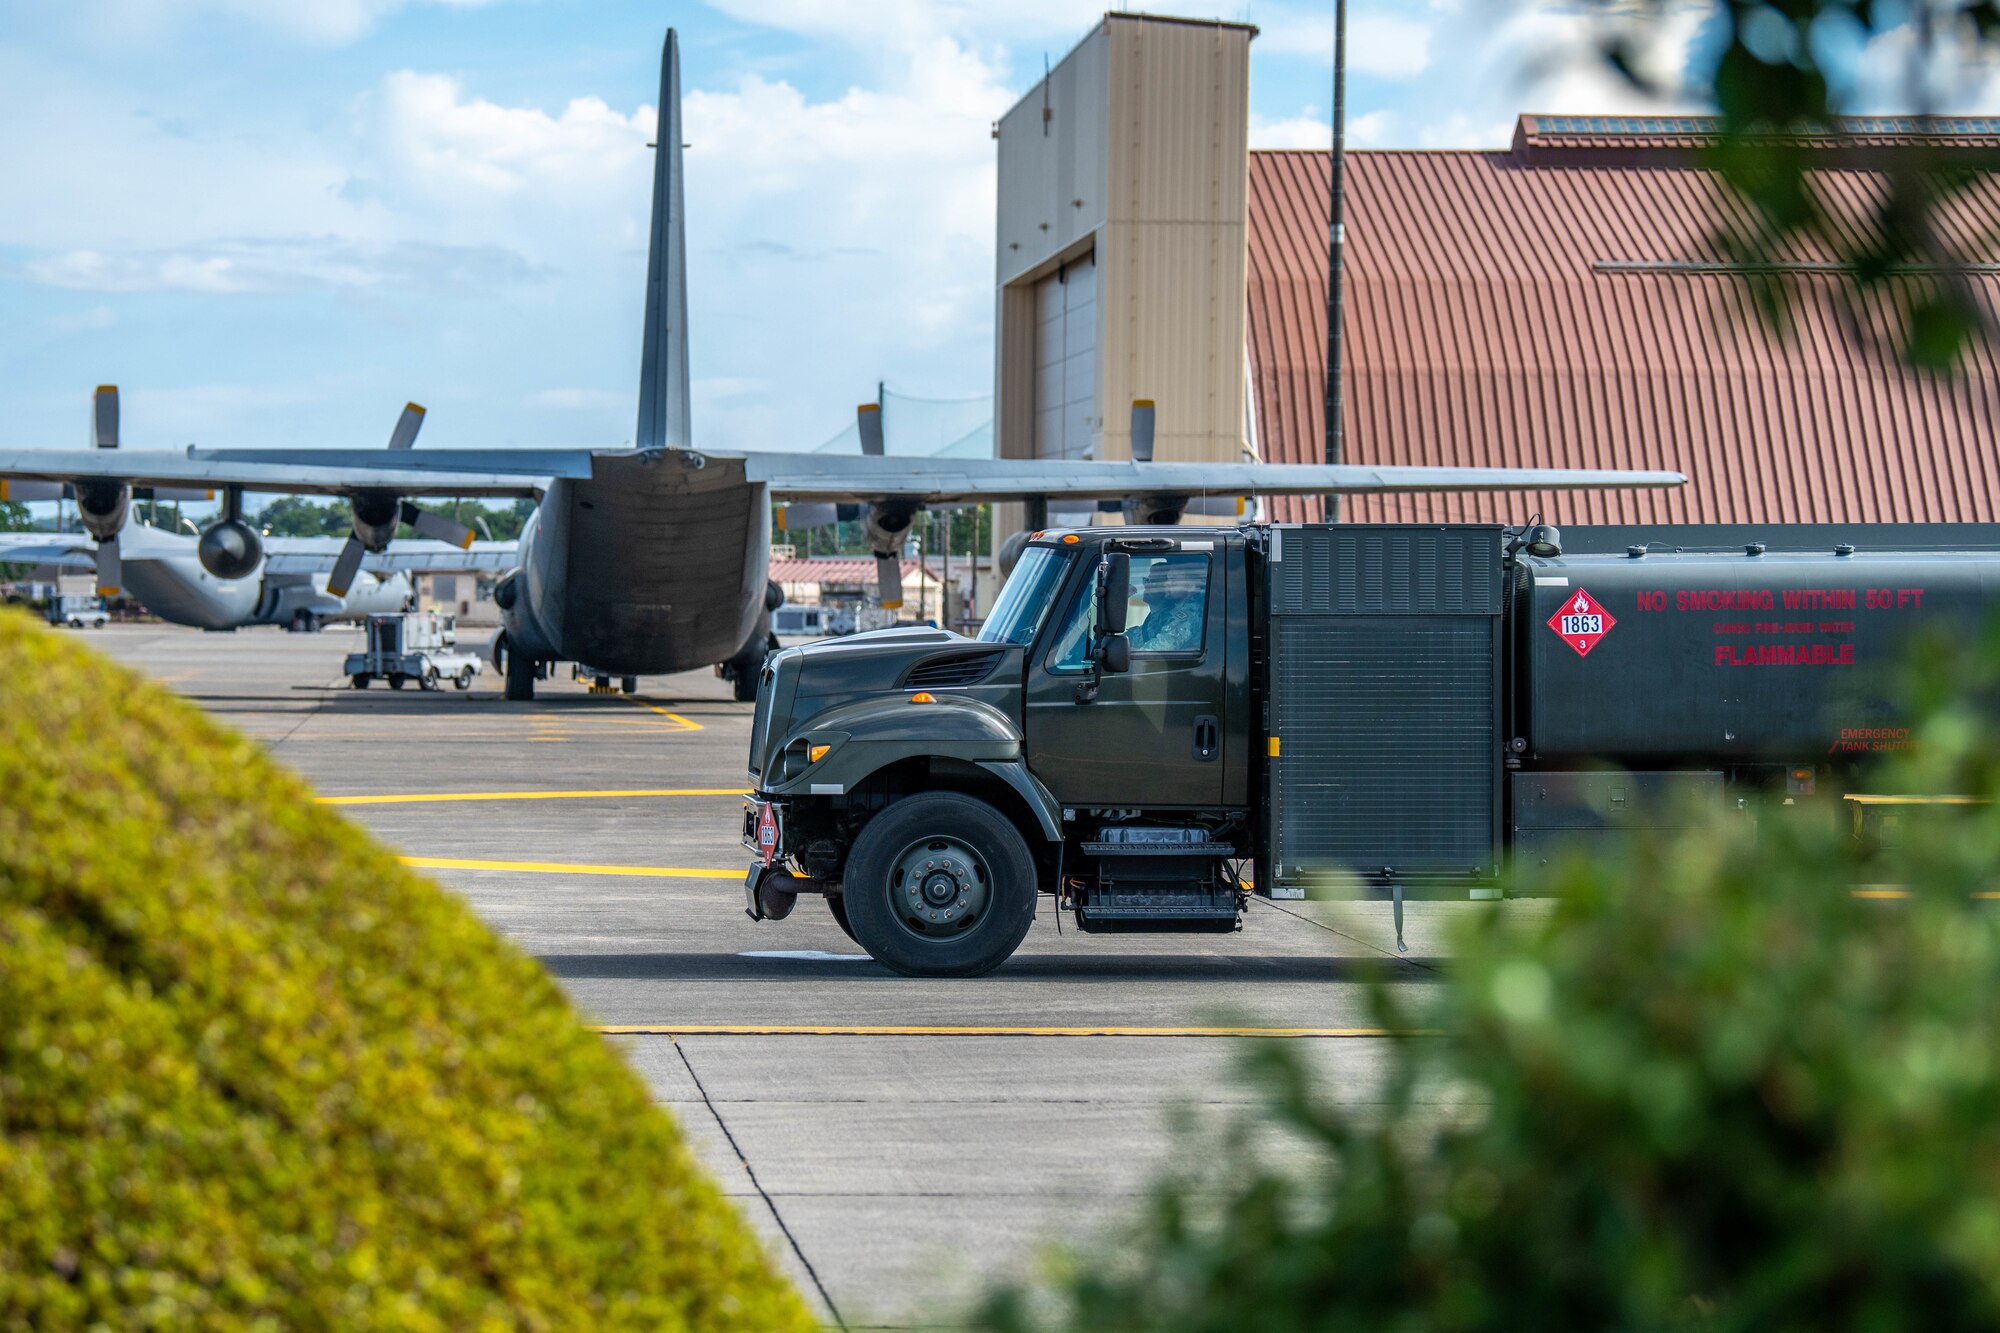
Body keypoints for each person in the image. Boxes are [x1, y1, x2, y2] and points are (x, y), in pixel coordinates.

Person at [1125, 558, 1205, 653]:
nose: (1167, 584)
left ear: (1191, 586)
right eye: (1167, 579)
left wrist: (1127, 655)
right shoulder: (1169, 613)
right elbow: (1141, 636)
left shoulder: (1190, 614)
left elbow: (1158, 648)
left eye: (1173, 580)